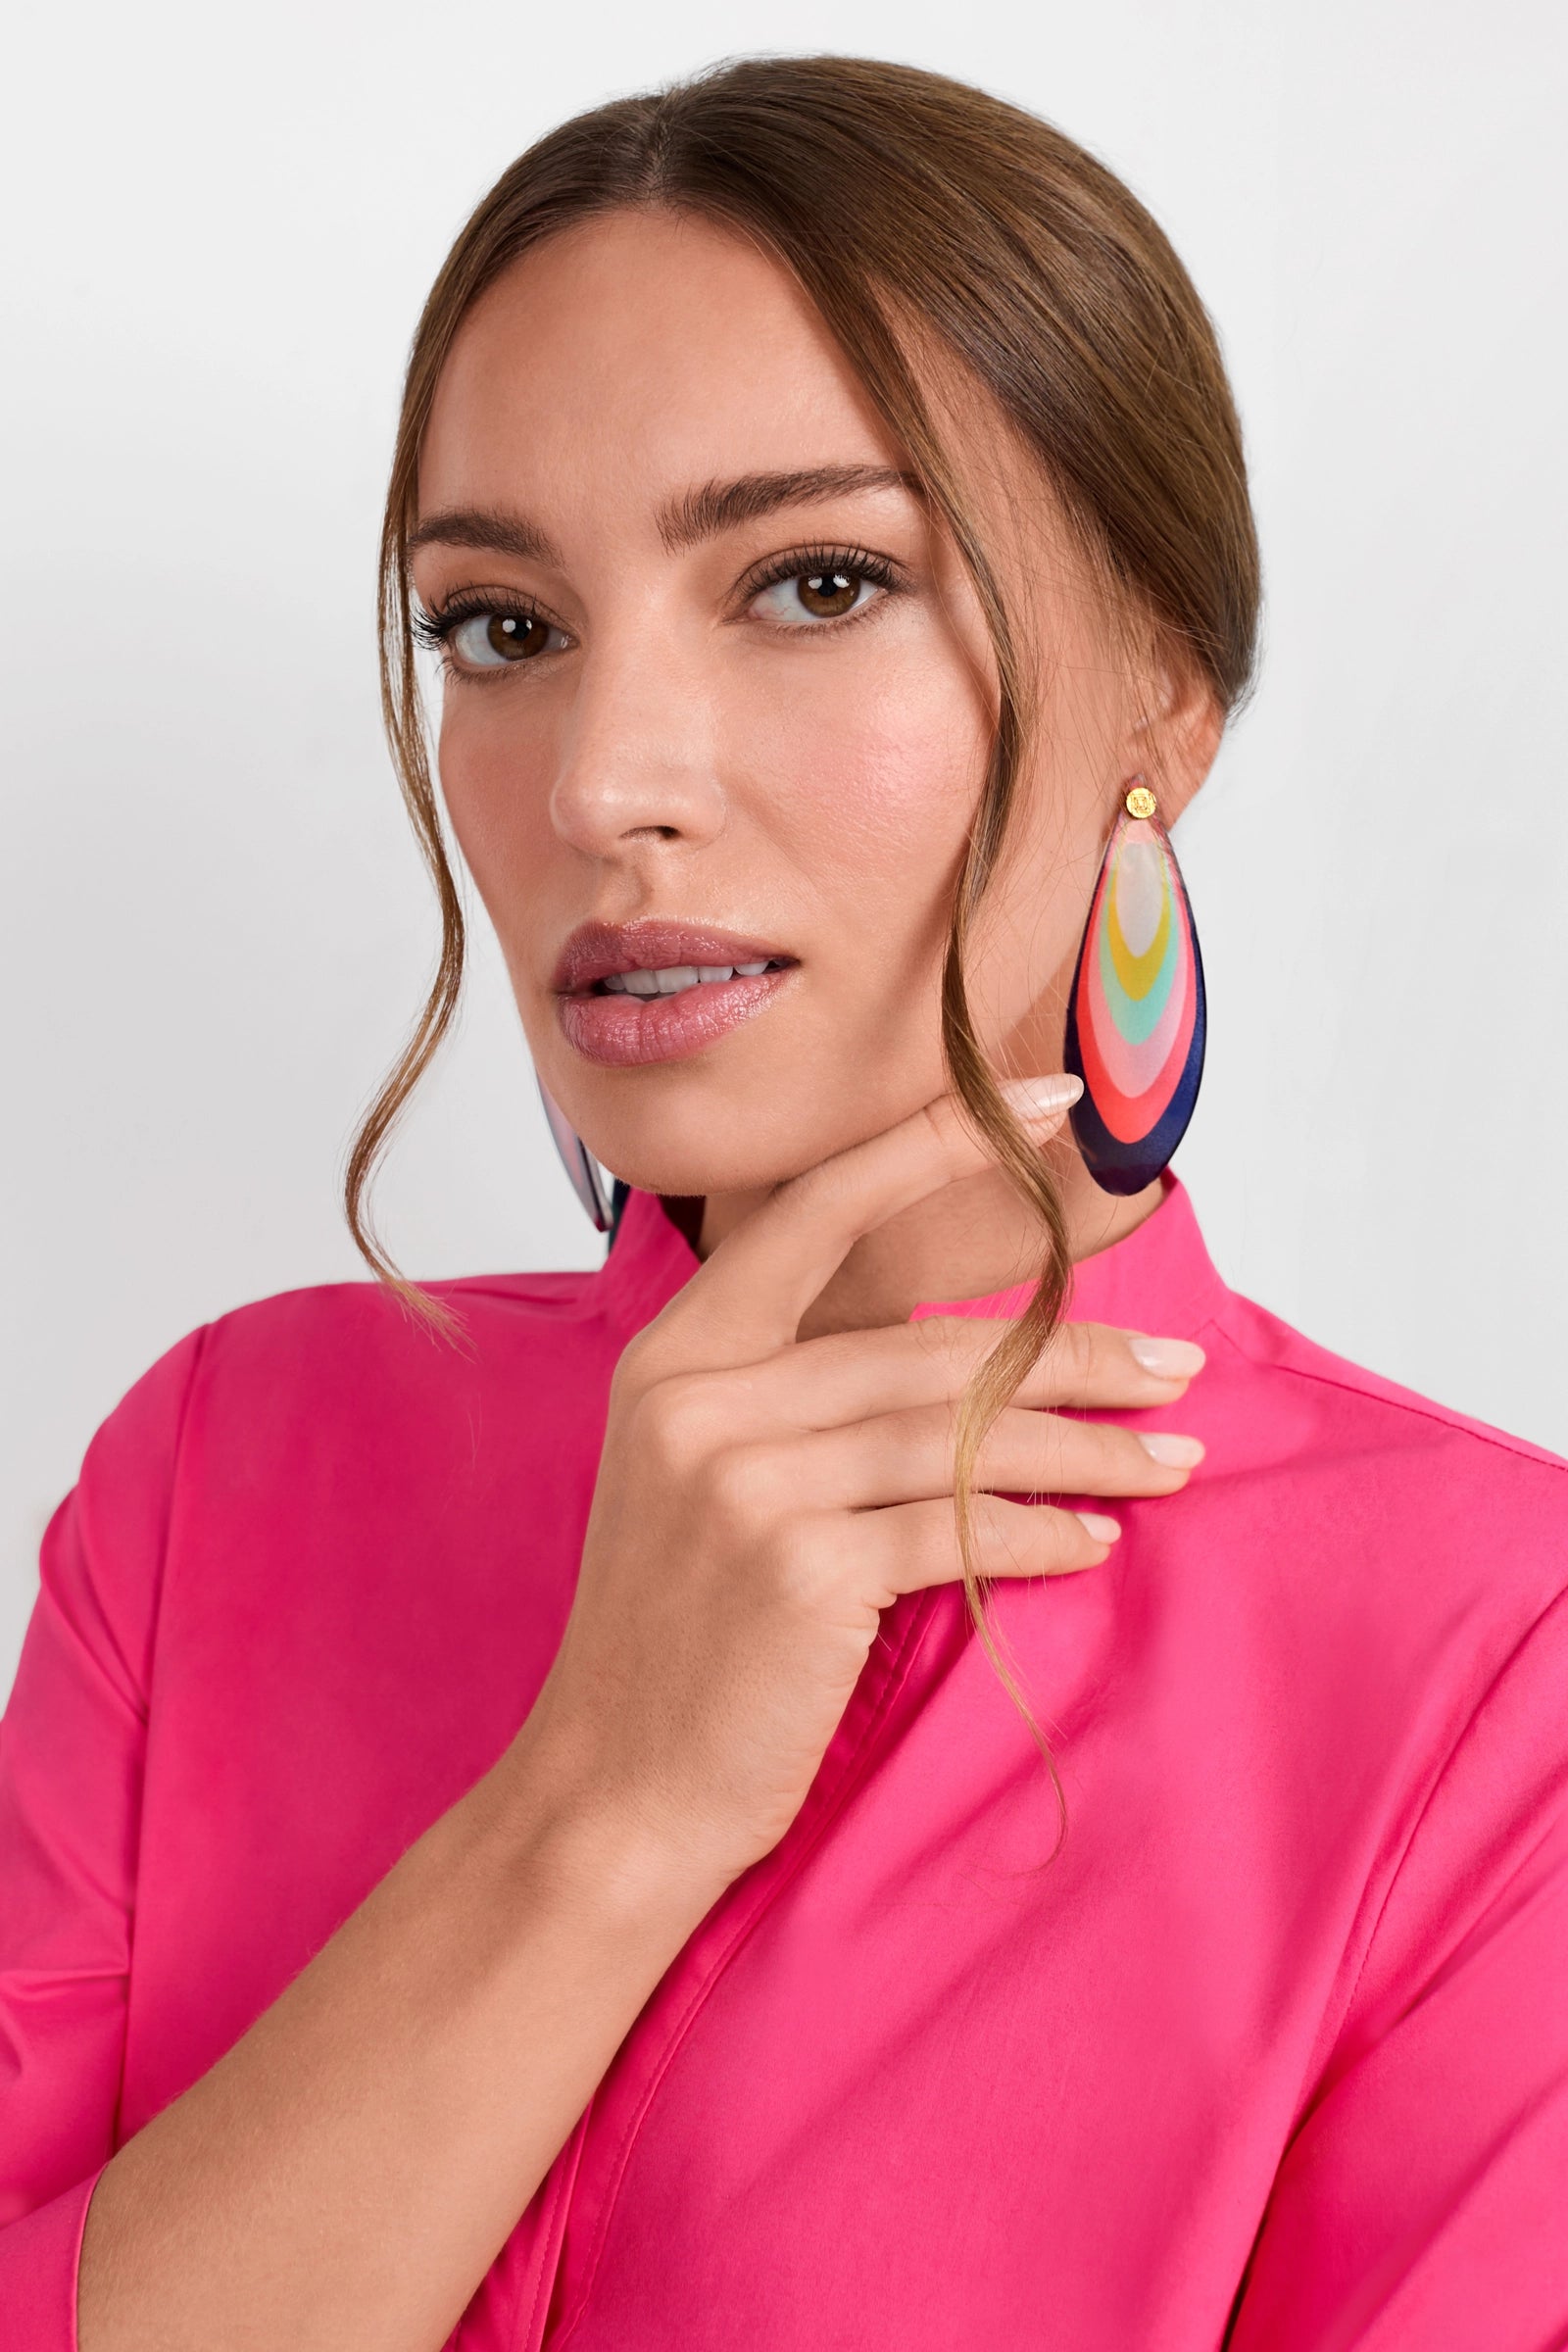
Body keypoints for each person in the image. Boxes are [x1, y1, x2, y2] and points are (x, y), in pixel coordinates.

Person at [3, 54, 1564, 2352]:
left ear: (1162, 692)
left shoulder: (1488, 1662)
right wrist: (600, 1807)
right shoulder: (229, 1470)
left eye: (814, 582)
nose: (605, 782)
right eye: (497, 628)